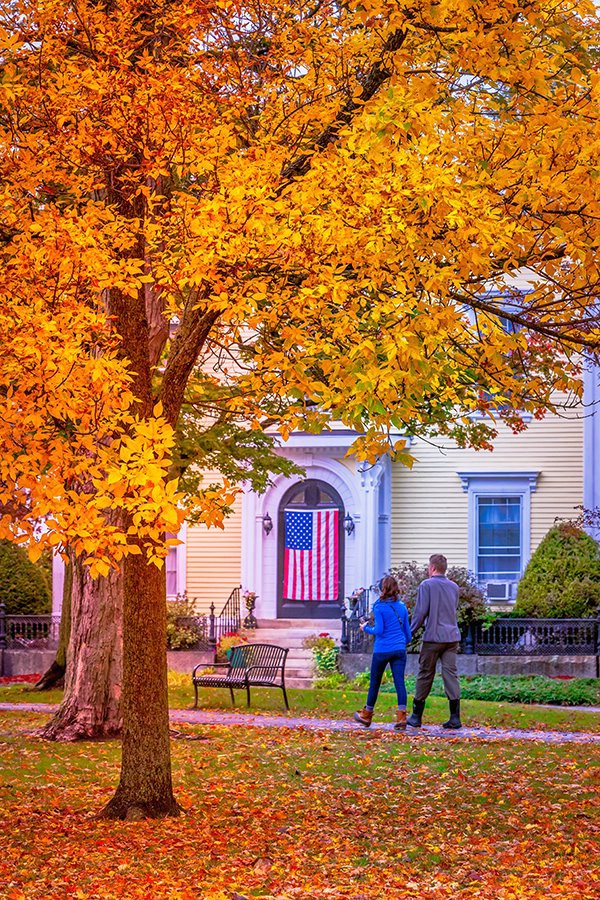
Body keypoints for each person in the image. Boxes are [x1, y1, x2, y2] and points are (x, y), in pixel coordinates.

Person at [406, 553, 462, 729]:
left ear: (432, 568)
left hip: (433, 638)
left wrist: (409, 633)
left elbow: (421, 612)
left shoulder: (427, 585)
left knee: (425, 674)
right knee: (450, 675)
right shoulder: (454, 587)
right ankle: (455, 717)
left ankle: (416, 716)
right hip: (452, 637)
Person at [354, 575, 412, 730]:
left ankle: (367, 715)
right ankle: (401, 717)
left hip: (382, 649)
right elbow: (408, 635)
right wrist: (399, 643)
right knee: (400, 682)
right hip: (399, 649)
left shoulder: (379, 606)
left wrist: (365, 627)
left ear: (382, 589)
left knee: (375, 682)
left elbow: (379, 630)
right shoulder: (402, 606)